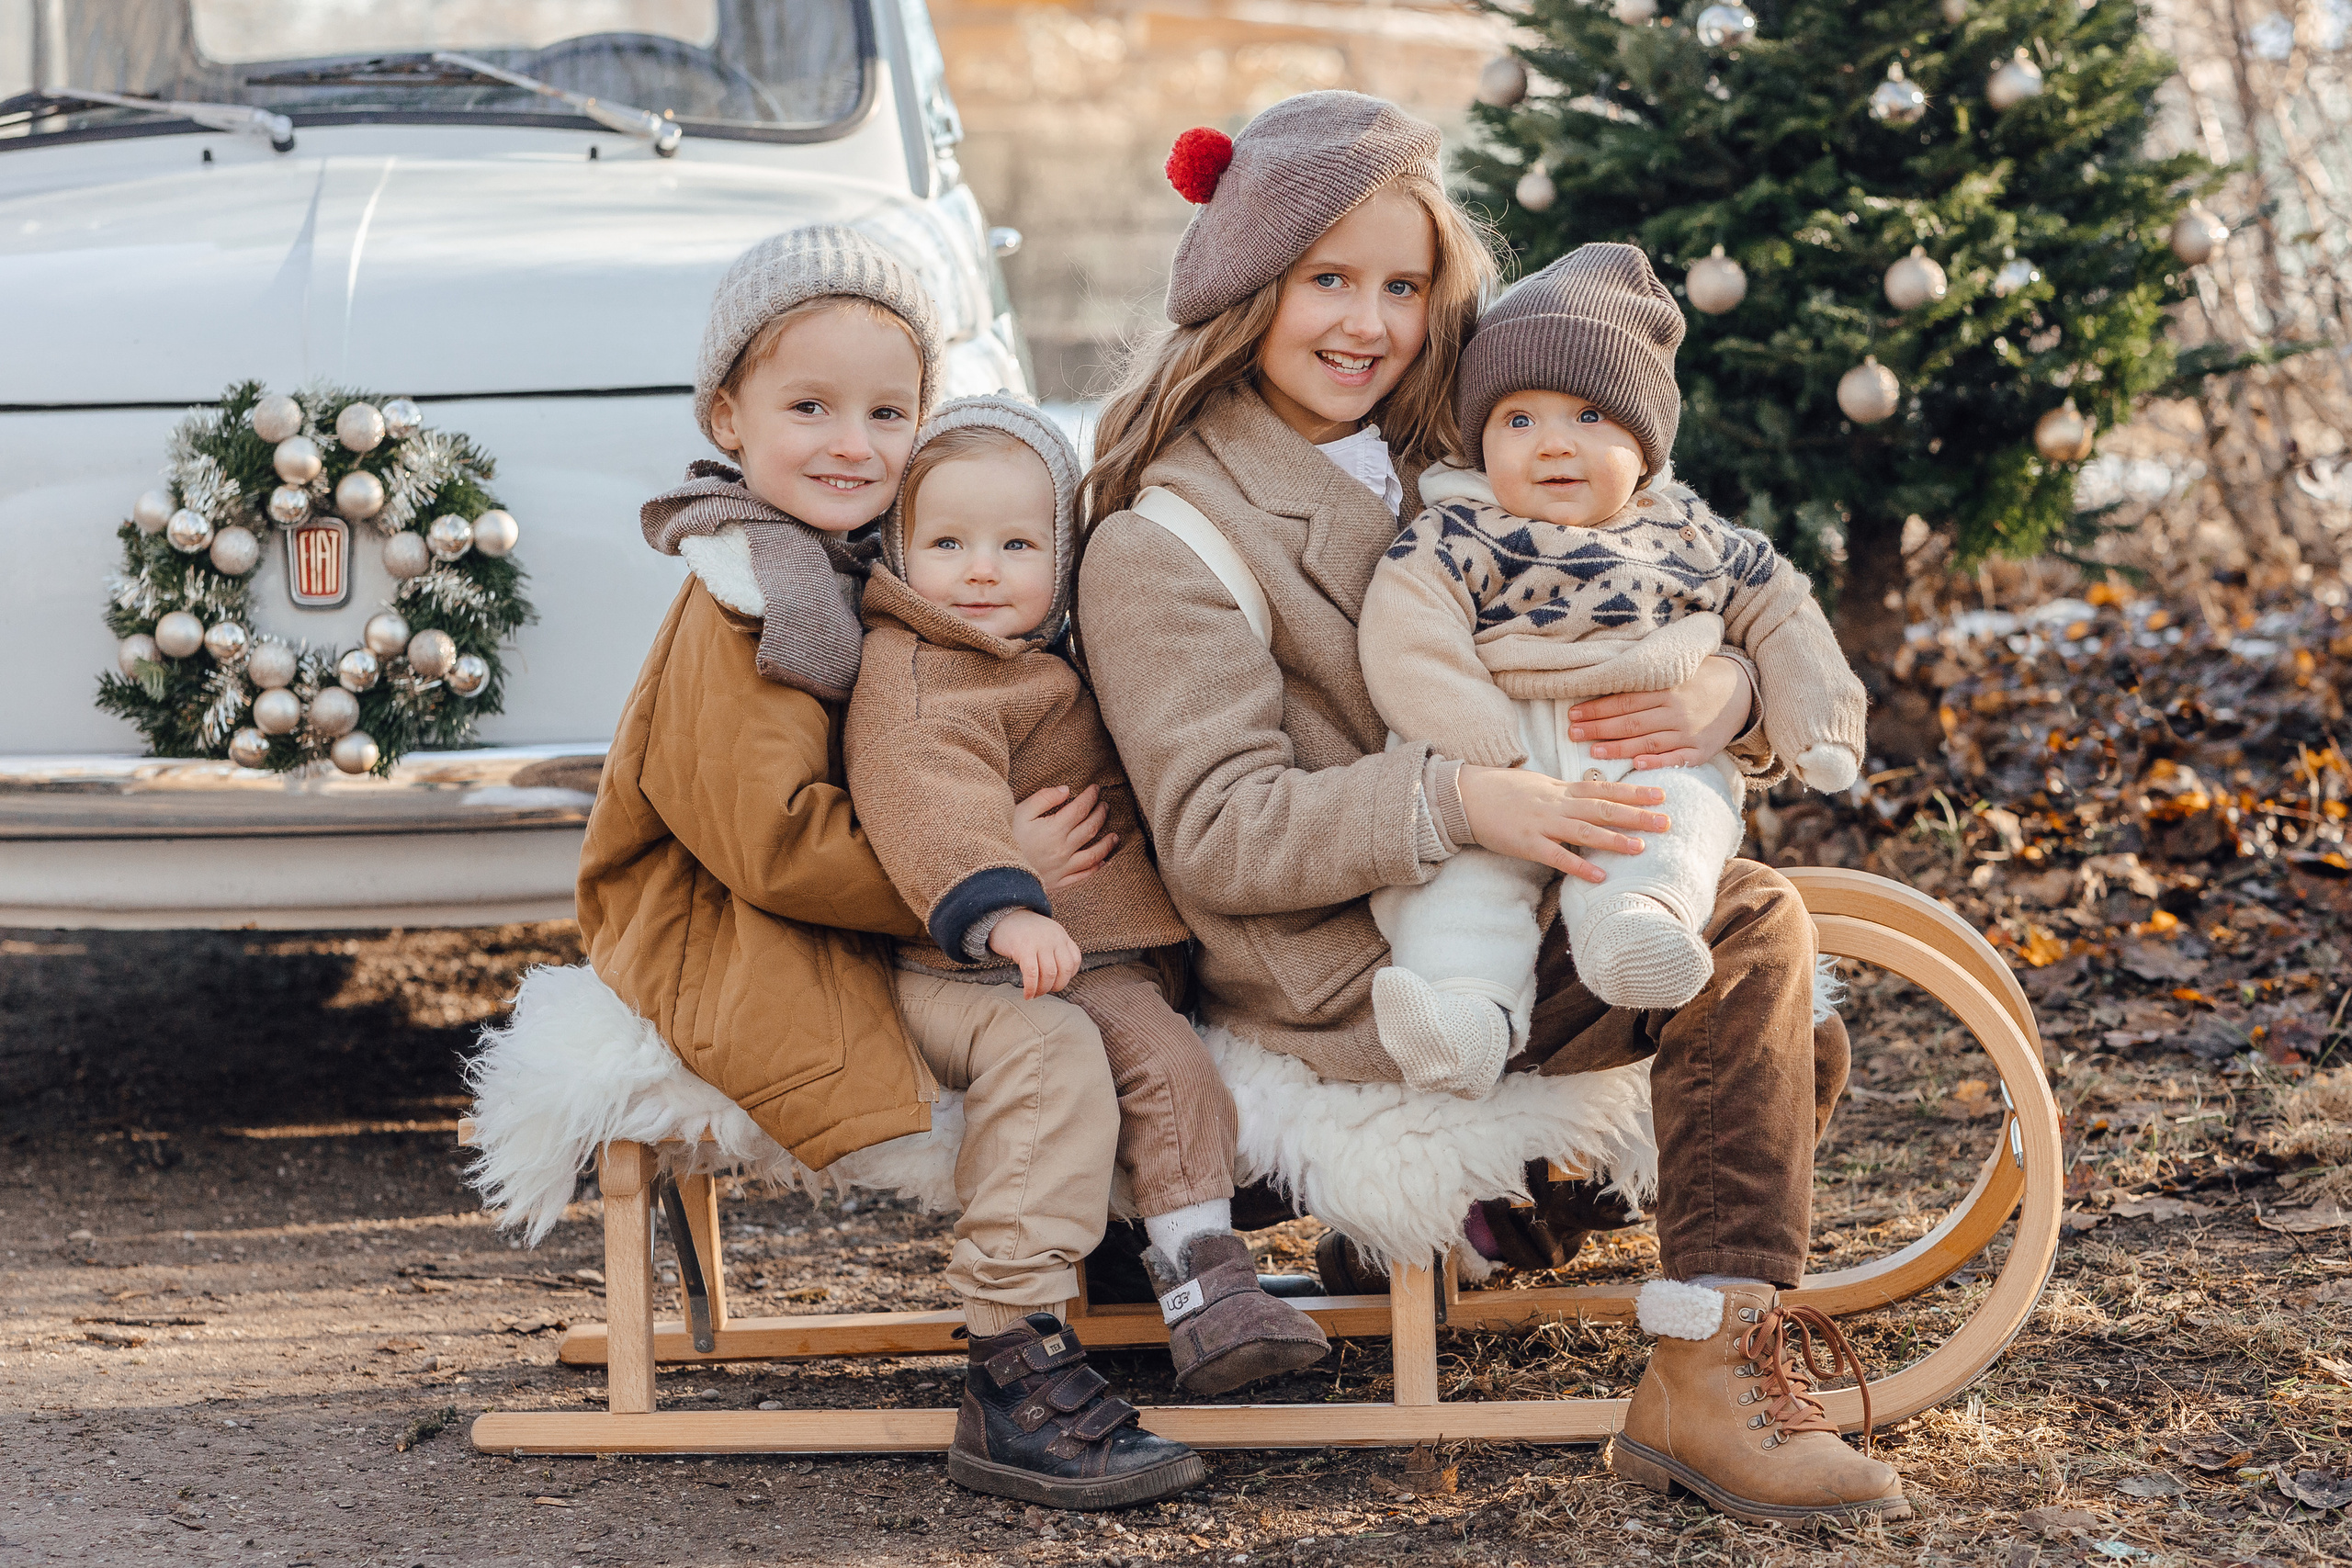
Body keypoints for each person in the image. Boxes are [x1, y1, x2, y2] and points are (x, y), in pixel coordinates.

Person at [1074, 93, 1907, 1525]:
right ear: (1244, 287)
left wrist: (1727, 698)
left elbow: (1663, 571)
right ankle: (1706, 1377)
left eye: (1403, 285)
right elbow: (1217, 829)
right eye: (1327, 280)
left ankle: (1525, 1221)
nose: (1369, 322)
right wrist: (1463, 800)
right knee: (1759, 930)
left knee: (1773, 1008)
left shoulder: (1457, 442)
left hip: (1523, 881)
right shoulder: (1169, 532)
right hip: (1343, 954)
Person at [572, 225, 1205, 1509]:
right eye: (809, 407)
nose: (852, 442)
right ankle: (1011, 1359)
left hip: (876, 902)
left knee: (1132, 999)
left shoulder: (879, 564)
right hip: (737, 919)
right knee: (1046, 1042)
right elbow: (774, 841)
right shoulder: (744, 595)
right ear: (727, 418)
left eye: (888, 409)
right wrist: (994, 866)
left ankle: (1142, 1251)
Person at [842, 392, 1330, 1410]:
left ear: (1061, 556)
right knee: (1163, 1067)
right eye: (948, 542)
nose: (981, 570)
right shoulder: (924, 671)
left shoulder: (1039, 652)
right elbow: (923, 797)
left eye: (1017, 543)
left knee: (1227, 1052)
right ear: (896, 549)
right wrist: (1003, 910)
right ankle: (1210, 1288)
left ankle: (1140, 1256)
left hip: (1101, 940)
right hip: (1006, 956)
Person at [1356, 243, 1869, 1093]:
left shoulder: (1688, 533)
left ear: (1646, 441)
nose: (1553, 445)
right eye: (1518, 421)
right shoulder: (1460, 531)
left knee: (1670, 820)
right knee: (1460, 892)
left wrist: (1812, 718)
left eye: (1589, 416)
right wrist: (1483, 751)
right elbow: (1408, 634)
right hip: (1500, 762)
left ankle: (1640, 923)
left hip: (1640, 749)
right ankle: (1461, 1016)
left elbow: (1781, 608)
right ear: (1482, 441)